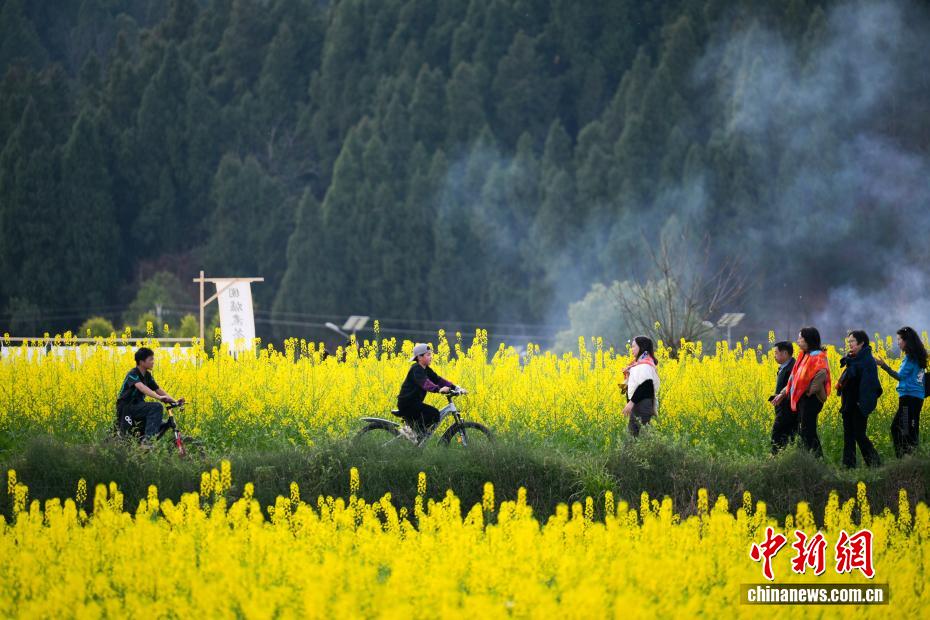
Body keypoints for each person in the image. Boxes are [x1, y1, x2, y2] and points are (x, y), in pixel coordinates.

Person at [772, 327, 830, 458]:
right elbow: (794, 378)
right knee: (805, 431)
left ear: (808, 339)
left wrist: (809, 390)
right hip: (803, 399)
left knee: (807, 431)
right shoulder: (803, 356)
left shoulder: (818, 356)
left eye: (800, 338)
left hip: (811, 399)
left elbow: (822, 374)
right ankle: (812, 459)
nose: (798, 341)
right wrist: (783, 393)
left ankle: (816, 459)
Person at [876, 326, 928, 457]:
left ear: (906, 341)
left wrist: (883, 365)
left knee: (900, 428)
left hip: (908, 398)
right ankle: (911, 458)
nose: (898, 342)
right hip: (916, 398)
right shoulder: (918, 357)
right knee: (910, 428)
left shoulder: (910, 358)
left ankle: (904, 458)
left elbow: (900, 376)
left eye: (899, 339)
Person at [835, 330, 882, 468]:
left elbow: (870, 385)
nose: (850, 344)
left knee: (859, 435)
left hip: (859, 403)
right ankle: (848, 466)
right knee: (848, 435)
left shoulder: (867, 361)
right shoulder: (852, 359)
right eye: (849, 341)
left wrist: (862, 402)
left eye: (852, 341)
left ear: (861, 343)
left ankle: (875, 464)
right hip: (848, 402)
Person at [115, 347, 183, 441]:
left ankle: (144, 441)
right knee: (156, 407)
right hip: (126, 407)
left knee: (159, 423)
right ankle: (148, 441)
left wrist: (175, 401)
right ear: (141, 361)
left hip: (138, 405)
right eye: (150, 359)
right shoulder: (132, 374)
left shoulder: (147, 375)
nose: (153, 362)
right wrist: (159, 398)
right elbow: (142, 388)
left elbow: (158, 389)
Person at [396, 343, 461, 438]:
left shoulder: (426, 369)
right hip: (407, 404)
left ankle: (414, 435)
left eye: (431, 354)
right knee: (434, 414)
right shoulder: (416, 369)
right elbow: (425, 383)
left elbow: (438, 380)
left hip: (414, 403)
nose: (431, 357)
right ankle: (412, 433)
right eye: (428, 355)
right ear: (419, 357)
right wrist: (439, 389)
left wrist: (456, 388)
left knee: (430, 415)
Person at [621, 336, 660, 437]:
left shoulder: (645, 365)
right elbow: (632, 385)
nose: (631, 349)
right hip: (637, 404)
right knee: (635, 437)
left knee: (637, 438)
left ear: (642, 347)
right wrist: (626, 380)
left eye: (634, 346)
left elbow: (646, 386)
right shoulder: (638, 364)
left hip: (642, 405)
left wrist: (630, 403)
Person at [769, 341, 797, 455]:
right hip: (782, 407)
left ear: (785, 353)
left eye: (776, 353)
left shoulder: (793, 368)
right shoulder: (784, 367)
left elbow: (792, 388)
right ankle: (783, 458)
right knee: (785, 436)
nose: (774, 355)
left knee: (778, 433)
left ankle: (775, 457)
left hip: (788, 409)